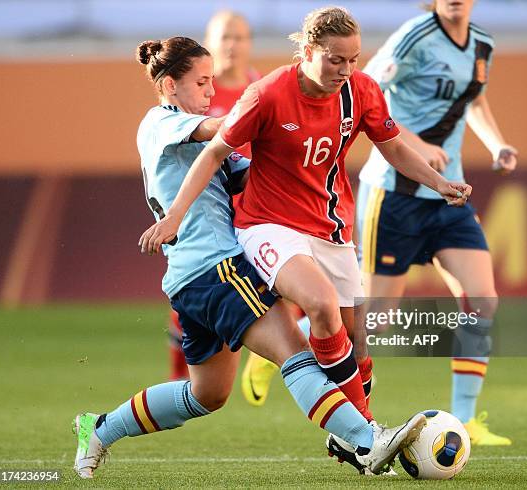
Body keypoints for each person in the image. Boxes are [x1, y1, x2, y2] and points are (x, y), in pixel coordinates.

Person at [72, 36, 427, 479]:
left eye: (211, 81)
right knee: (294, 353)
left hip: (191, 280)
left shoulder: (194, 133)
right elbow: (221, 130)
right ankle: (365, 440)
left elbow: (256, 174)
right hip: (217, 268)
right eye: (202, 82)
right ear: (168, 86)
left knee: (207, 394)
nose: (209, 90)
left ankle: (100, 428)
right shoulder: (159, 122)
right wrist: (267, 109)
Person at [138, 6, 471, 472]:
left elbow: (391, 145)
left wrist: (438, 184)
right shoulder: (268, 93)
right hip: (268, 225)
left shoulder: (362, 92)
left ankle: (356, 437)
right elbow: (215, 150)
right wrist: (174, 216)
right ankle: (365, 436)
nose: (346, 70)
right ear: (309, 51)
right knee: (319, 304)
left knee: (357, 340)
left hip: (331, 226)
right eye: (336, 59)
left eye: (353, 59)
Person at [357, 0, 518, 445]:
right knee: (375, 322)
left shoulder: (482, 42)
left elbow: (476, 100)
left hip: (449, 194)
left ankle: (465, 420)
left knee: (483, 300)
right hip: (393, 194)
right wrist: (411, 142)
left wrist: (496, 143)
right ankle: (300, 341)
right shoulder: (414, 36)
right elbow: (364, 87)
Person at [168, 10, 260, 381]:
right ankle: (180, 381)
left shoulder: (259, 88)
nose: (233, 46)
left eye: (239, 37)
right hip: (204, 213)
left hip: (254, 208)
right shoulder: (198, 94)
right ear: (210, 42)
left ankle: (272, 356)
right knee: (190, 298)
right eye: (225, 37)